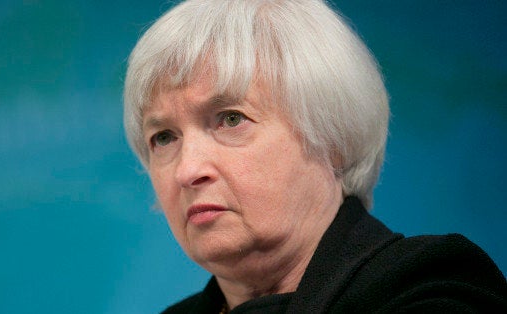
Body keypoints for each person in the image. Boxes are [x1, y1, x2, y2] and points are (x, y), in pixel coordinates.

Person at [123, 0, 507, 312]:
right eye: (164, 137)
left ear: (331, 137)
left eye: (231, 119)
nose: (187, 170)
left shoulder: (432, 287)